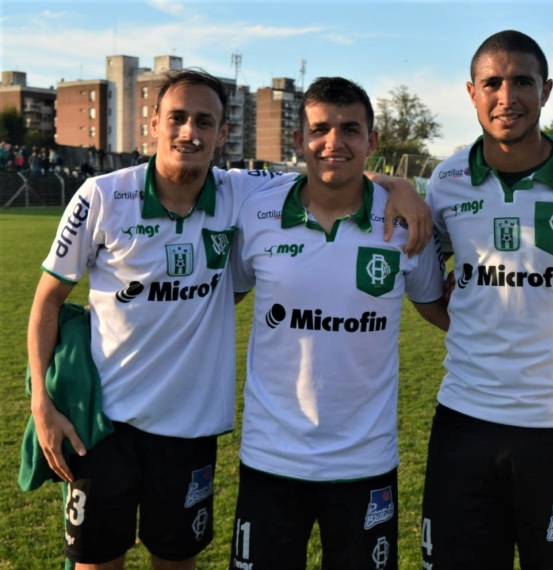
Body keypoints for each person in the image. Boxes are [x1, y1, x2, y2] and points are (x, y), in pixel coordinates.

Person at [26, 68, 430, 570]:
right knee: (95, 562)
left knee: (175, 559)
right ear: (155, 123)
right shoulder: (101, 195)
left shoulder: (243, 192)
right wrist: (42, 402)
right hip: (104, 422)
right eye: (177, 118)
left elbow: (331, 171)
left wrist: (397, 184)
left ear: (221, 133)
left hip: (189, 425)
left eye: (204, 121)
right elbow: (46, 301)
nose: (189, 132)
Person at [421, 30, 553, 569]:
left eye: (522, 82)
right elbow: (424, 275)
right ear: (472, 93)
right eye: (492, 82)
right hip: (464, 419)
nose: (506, 96)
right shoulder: (446, 180)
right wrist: (468, 321)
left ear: (547, 90)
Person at [228, 76, 449, 570]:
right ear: (298, 140)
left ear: (371, 141)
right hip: (272, 458)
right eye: (319, 129)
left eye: (350, 129)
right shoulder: (257, 210)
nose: (334, 142)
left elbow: (443, 312)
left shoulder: (404, 224)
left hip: (365, 463)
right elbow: (217, 299)